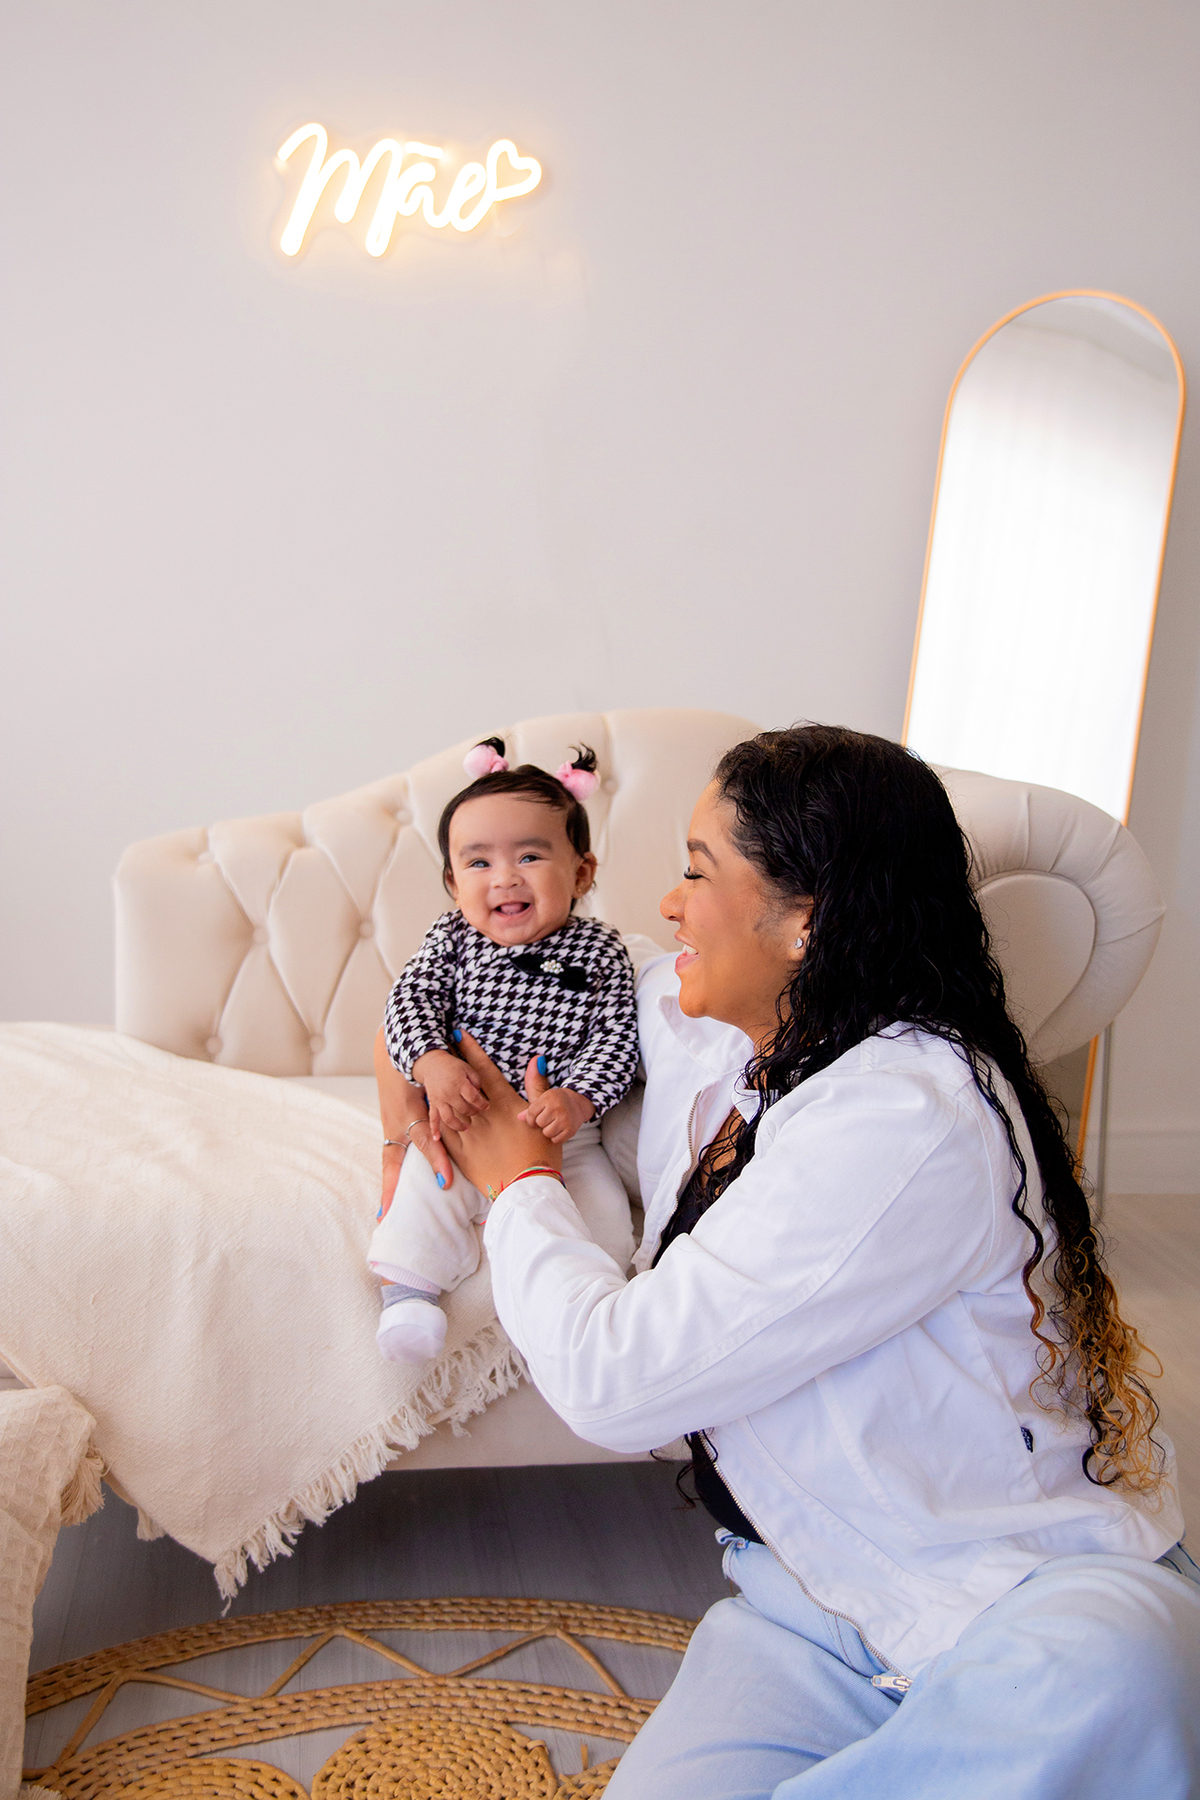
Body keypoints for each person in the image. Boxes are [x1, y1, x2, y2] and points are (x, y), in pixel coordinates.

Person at [379, 723, 1200, 1796]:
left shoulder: (904, 1115)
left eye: (695, 871)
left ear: (805, 918)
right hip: (809, 1610)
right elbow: (436, 994)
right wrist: (407, 1123)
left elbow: (615, 1382)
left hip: (1014, 1604)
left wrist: (521, 1184)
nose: (668, 903)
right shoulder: (719, 1027)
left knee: (1114, 1681)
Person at [369, 738, 639, 1363]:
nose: (505, 877)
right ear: (452, 882)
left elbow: (615, 1039)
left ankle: (578, 1306)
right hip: (461, 1120)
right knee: (425, 1192)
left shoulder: (601, 951)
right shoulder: (452, 939)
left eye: (529, 856)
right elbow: (408, 1003)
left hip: (565, 1138)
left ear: (582, 873)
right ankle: (407, 1296)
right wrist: (432, 1062)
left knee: (603, 1219)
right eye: (479, 862)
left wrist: (578, 1099)